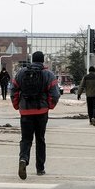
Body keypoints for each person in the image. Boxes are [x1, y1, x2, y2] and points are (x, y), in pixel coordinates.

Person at [11, 51, 60, 179]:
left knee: (26, 139)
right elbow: (55, 94)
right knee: (40, 139)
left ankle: (23, 159)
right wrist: (49, 105)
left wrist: (17, 105)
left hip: (25, 111)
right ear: (43, 60)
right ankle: (40, 168)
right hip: (41, 112)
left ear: (32, 60)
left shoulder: (21, 73)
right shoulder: (48, 74)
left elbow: (14, 89)